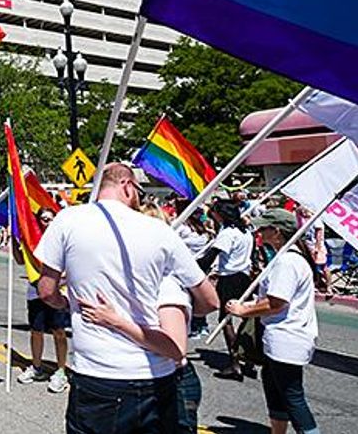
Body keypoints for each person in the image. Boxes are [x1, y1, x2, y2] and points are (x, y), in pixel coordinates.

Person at [35, 163, 218, 434]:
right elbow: (210, 301)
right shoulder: (160, 231)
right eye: (139, 191)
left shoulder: (68, 219)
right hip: (156, 375)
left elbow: (46, 290)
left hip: (98, 373)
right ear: (127, 185)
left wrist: (69, 303)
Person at [81, 203, 202, 433]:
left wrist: (116, 321)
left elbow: (176, 349)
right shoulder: (139, 279)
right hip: (144, 381)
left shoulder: (167, 285)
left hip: (174, 383)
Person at [226, 209, 320, 434]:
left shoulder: (288, 261)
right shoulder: (287, 257)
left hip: (286, 338)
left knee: (292, 398)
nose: (258, 232)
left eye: (263, 228)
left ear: (277, 232)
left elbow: (277, 303)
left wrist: (243, 310)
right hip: (280, 337)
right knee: (274, 390)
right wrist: (249, 305)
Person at [13, 207, 69, 393]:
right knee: (36, 330)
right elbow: (21, 260)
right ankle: (36, 367)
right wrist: (14, 240)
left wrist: (58, 281)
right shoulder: (33, 242)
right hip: (35, 292)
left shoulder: (63, 241)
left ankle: (61, 371)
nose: (48, 222)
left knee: (59, 332)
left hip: (57, 293)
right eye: (44, 219)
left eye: (51, 219)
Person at [206, 200, 255, 380]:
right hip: (245, 276)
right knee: (246, 316)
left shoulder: (227, 233)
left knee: (225, 319)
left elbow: (211, 256)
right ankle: (249, 358)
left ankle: (235, 362)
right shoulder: (246, 232)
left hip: (229, 278)